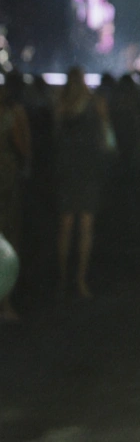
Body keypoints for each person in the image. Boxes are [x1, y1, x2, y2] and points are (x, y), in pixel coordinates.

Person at [53, 66, 115, 300]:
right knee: (86, 227)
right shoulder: (95, 103)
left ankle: (62, 279)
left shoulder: (62, 105)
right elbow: (106, 135)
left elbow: (56, 137)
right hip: (88, 170)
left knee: (65, 226)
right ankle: (80, 279)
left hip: (68, 171)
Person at [1, 81, 32, 321]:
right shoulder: (11, 114)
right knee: (9, 237)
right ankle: (5, 303)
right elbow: (23, 147)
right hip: (6, 178)